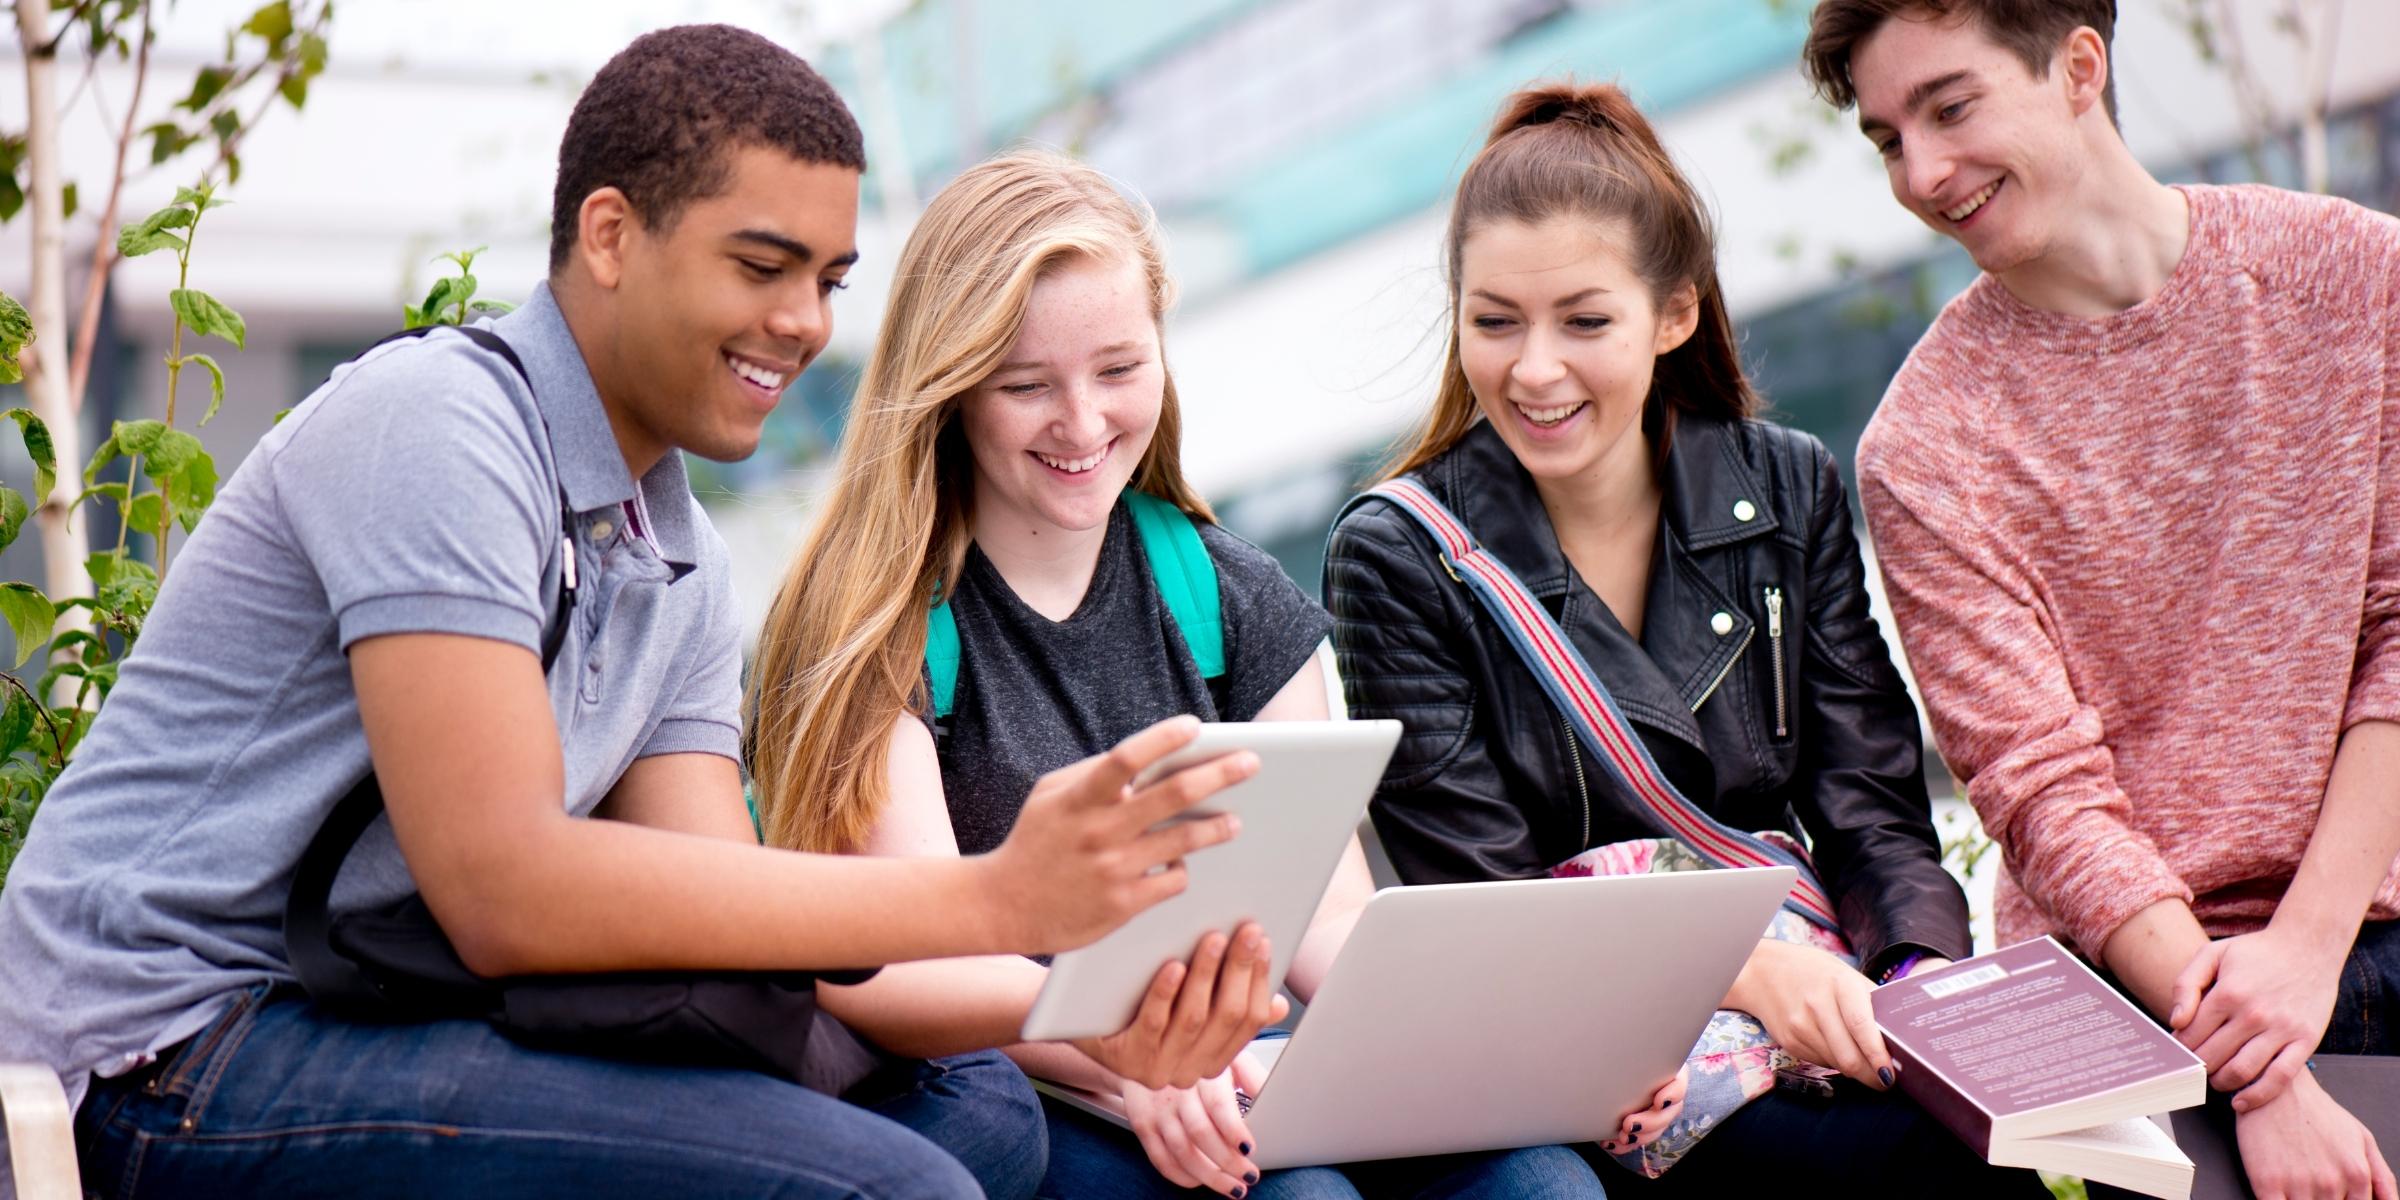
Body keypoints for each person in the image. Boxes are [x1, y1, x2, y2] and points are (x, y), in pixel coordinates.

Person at [0, 26, 1276, 1200]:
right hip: (169, 1046)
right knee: (903, 1189)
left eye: (830, 279)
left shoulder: (677, 553)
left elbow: (722, 917)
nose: (804, 324)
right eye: (763, 267)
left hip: (394, 1013)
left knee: (979, 1115)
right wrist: (1004, 901)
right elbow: (504, 886)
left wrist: (1081, 1010)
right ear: (609, 236)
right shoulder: (440, 426)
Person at [747, 147, 1662, 1199]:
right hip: (1024, 1091)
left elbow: (1322, 916)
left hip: (1229, 1067)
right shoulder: (881, 625)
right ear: (948, 388)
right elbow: (897, 968)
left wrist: (1535, 1051)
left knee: (1542, 1185)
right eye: (1025, 386)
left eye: (1120, 371)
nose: (1084, 424)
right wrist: (1124, 1055)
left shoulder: (1224, 592)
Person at [1322, 80, 2047, 1196]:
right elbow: (1477, 903)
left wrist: (1910, 982)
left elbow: (1869, 806)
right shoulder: (1400, 554)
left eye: (1585, 319)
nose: (1534, 369)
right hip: (1601, 1061)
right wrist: (1752, 977)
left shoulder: (1782, 483)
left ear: (1674, 315)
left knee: (1981, 1140)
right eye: (1495, 319)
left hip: (1818, 996)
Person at [1800, 1, 2400, 1195]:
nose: (1921, 174)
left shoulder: (2356, 277)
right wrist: (2266, 1080)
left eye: (1951, 107)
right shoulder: (1924, 450)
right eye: (1885, 139)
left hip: (2360, 925)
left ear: (2080, 65)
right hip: (2134, 993)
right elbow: (2041, 790)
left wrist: (2306, 951)